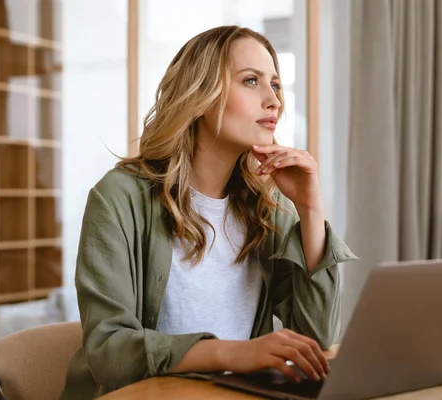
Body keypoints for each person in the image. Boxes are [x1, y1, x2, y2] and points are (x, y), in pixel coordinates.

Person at [60, 25, 357, 400]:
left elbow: (317, 337)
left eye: (276, 85)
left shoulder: (267, 206)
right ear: (201, 96)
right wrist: (235, 353)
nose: (273, 100)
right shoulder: (119, 197)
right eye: (251, 81)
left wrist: (310, 209)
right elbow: (109, 351)